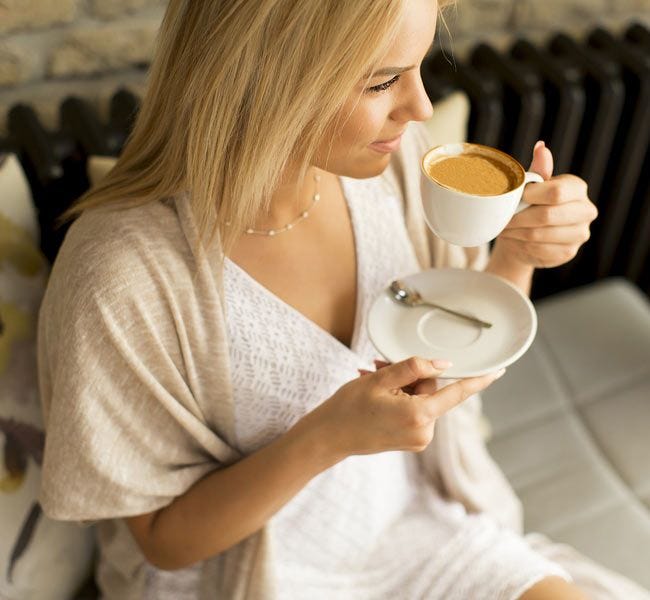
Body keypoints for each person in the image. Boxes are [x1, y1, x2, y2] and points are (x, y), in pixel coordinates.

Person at [36, 1, 648, 599]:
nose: (422, 107)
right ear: (264, 75)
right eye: (383, 81)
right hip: (251, 572)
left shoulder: (398, 165)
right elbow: (164, 543)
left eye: (419, 68)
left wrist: (519, 255)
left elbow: (464, 353)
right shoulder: (121, 276)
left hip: (417, 528)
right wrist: (327, 437)